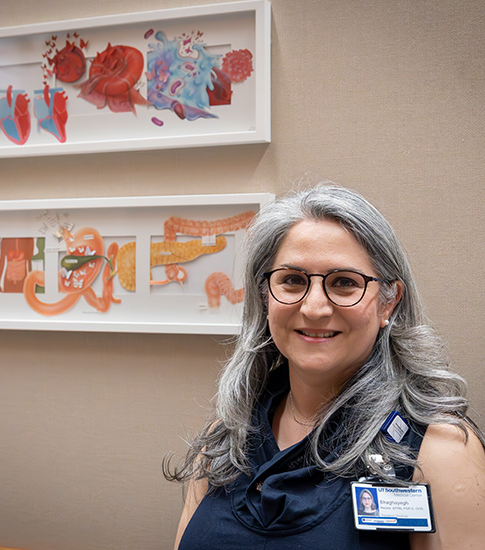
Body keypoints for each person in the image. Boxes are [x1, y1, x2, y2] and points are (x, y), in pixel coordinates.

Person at [165, 184, 485, 550]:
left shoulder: (440, 452)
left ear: (388, 303)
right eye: (292, 280)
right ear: (264, 295)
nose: (314, 308)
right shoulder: (228, 436)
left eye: (345, 283)